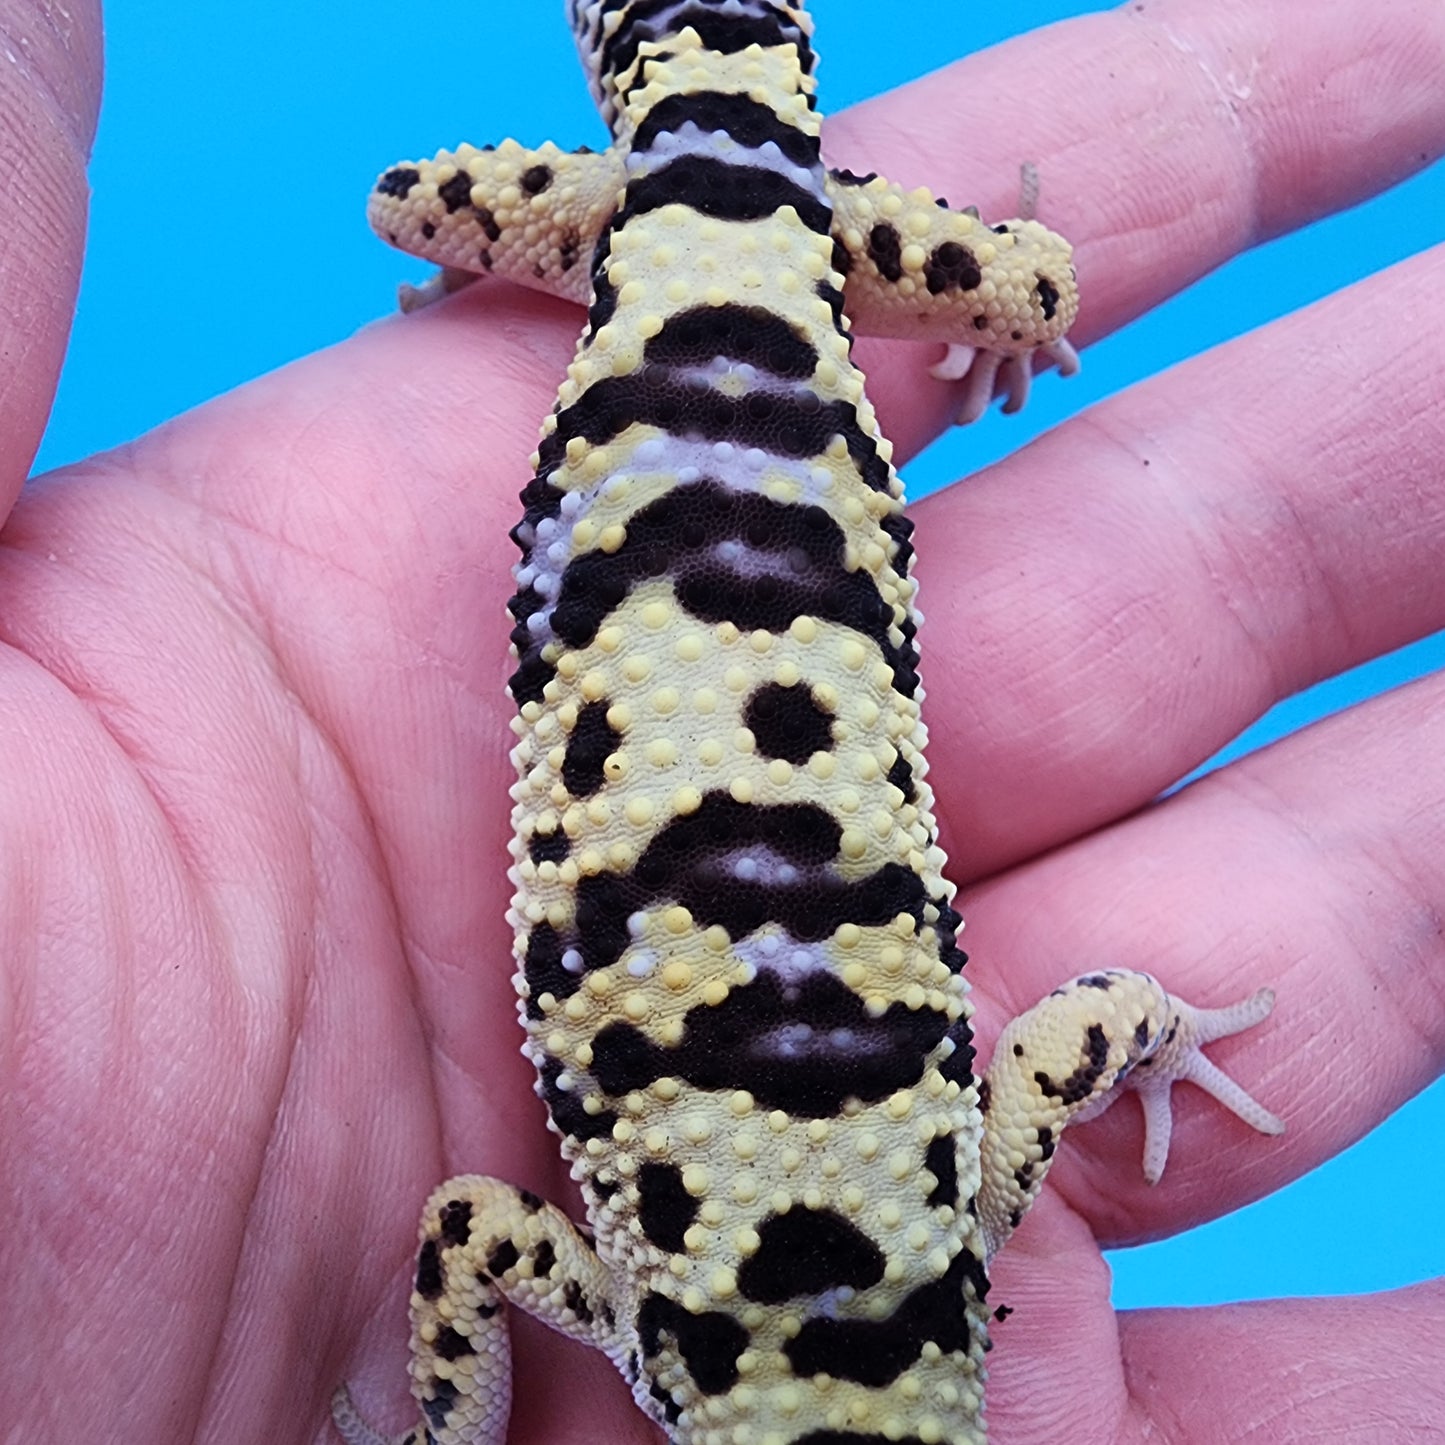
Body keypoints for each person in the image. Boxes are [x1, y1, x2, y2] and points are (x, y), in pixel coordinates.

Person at [3, 2, 1442, 1440]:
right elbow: (469, 1233)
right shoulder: (643, 1299)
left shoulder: (970, 1209)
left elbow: (1092, 1023)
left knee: (999, 288)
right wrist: (445, 1416)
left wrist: (1166, 1036)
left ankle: (936, 265)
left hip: (712, 294)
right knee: (411, 213)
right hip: (684, 276)